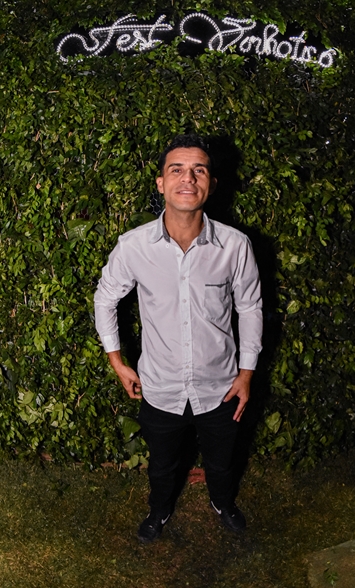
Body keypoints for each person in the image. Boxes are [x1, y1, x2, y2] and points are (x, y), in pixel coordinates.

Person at [94, 133, 263, 543]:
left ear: (212, 184)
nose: (188, 178)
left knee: (222, 462)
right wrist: (117, 361)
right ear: (161, 183)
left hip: (221, 387)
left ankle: (222, 502)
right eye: (177, 169)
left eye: (198, 170)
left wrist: (246, 374)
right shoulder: (133, 246)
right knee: (162, 465)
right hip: (160, 386)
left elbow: (250, 308)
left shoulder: (235, 246)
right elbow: (105, 298)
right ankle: (159, 509)